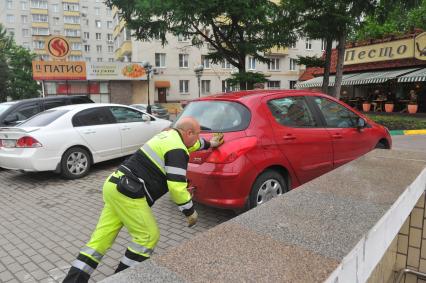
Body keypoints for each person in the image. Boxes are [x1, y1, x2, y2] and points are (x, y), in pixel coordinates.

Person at [63, 117, 224, 283]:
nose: (198, 138)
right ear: (189, 132)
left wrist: (210, 144)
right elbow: (176, 188)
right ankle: (122, 279)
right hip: (129, 193)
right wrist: (190, 212)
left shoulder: (168, 136)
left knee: (99, 241)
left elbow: (193, 144)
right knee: (148, 236)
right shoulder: (177, 149)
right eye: (198, 134)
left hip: (114, 186)